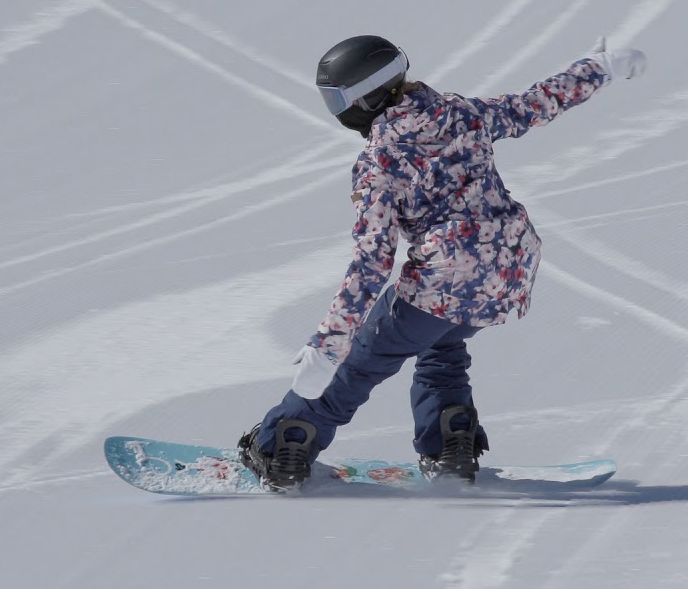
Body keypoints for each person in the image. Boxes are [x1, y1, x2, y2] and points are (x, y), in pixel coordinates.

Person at [238, 34, 647, 490]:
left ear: (363, 97)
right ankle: (451, 444)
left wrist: (329, 344)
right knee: (442, 344)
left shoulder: (380, 159)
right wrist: (602, 66)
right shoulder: (463, 113)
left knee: (360, 362)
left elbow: (373, 259)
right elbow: (536, 102)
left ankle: (284, 447)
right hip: (508, 271)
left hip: (447, 274)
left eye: (335, 98)